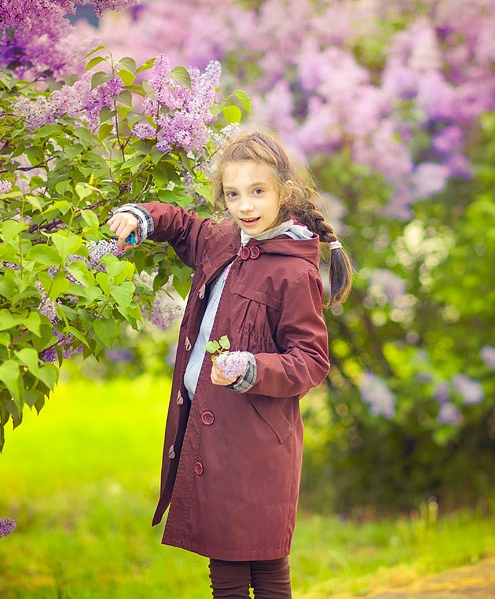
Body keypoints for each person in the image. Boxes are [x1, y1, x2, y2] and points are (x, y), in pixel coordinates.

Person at [105, 130, 352, 598]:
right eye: (233, 194)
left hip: (259, 442)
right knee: (227, 571)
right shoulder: (222, 240)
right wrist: (141, 214)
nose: (246, 206)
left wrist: (252, 368)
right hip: (212, 438)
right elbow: (178, 223)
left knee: (267, 564)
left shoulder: (294, 271)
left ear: (285, 192)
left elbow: (311, 360)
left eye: (258, 192)